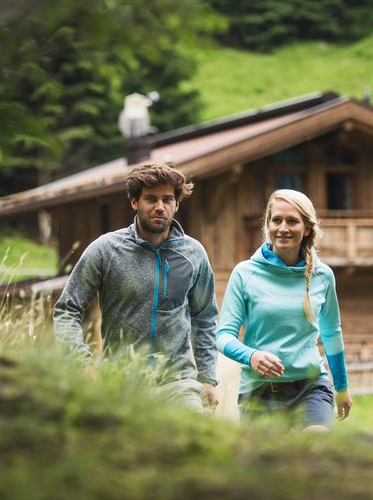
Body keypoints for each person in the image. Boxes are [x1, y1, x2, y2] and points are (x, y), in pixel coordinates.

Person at [54, 162, 219, 411]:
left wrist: (207, 377)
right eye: (150, 199)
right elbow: (66, 309)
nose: (159, 207)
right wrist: (82, 363)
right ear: (134, 202)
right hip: (121, 381)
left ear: (177, 204)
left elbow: (205, 318)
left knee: (190, 446)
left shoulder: (194, 253)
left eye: (167, 199)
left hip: (178, 384)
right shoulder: (106, 249)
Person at [216, 189, 352, 430]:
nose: (283, 228)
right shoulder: (245, 274)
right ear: (267, 224)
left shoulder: (323, 276)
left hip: (311, 387)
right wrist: (252, 356)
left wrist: (341, 387)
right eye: (276, 220)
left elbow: (332, 334)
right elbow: (223, 335)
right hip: (259, 392)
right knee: (270, 466)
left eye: (292, 221)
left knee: (315, 451)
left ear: (307, 228)